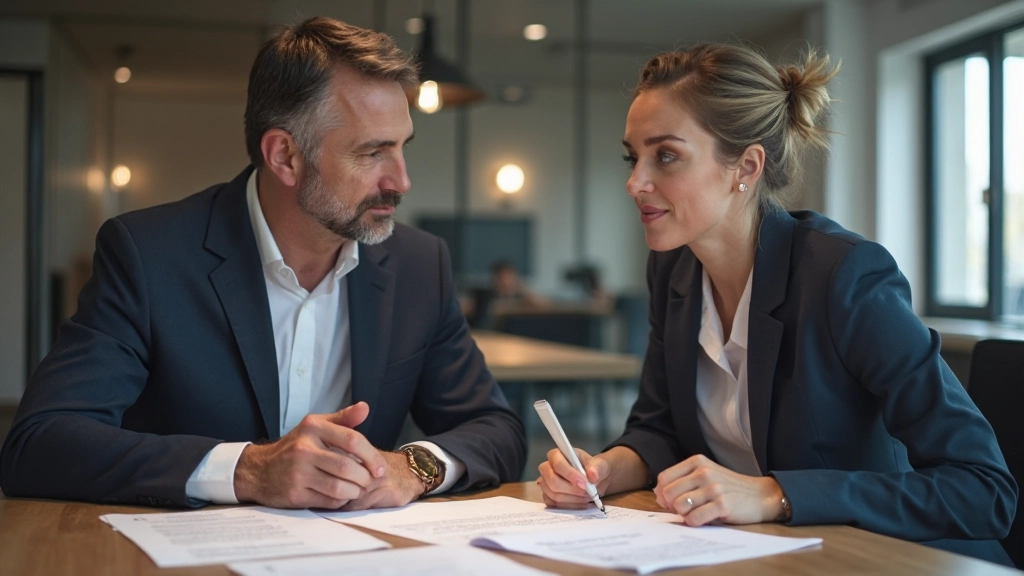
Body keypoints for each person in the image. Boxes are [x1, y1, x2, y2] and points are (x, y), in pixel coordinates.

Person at [0, 17, 525, 510]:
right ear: (284, 157)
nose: (401, 181)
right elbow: (38, 444)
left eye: (403, 147)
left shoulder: (417, 263)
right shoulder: (148, 254)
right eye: (372, 153)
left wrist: (414, 467)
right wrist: (248, 470)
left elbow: (495, 429)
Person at [537, 43, 1017, 566]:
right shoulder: (673, 270)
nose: (635, 182)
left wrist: (773, 494)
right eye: (634, 157)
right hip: (765, 558)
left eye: (666, 155)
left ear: (746, 166)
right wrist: (606, 469)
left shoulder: (845, 277)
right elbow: (659, 429)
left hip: (896, 559)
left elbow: (983, 490)